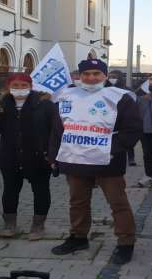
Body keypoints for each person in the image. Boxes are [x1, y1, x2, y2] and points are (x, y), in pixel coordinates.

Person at [49, 59, 142, 265]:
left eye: (96, 74)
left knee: (118, 203)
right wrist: (54, 156)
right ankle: (78, 237)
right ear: (79, 76)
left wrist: (110, 149)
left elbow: (132, 129)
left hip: (107, 161)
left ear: (105, 75)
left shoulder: (121, 98)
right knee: (78, 202)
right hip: (75, 160)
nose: (91, 78)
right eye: (86, 74)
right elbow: (57, 130)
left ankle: (126, 243)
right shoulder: (66, 96)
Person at [0, 73, 56, 240]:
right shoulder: (2, 105)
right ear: (8, 87)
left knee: (41, 190)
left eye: (23, 85)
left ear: (30, 86)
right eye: (15, 85)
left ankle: (38, 226)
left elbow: (55, 131)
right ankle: (9, 225)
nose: (20, 89)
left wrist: (52, 155)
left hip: (38, 156)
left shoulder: (45, 105)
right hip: (9, 155)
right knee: (10, 190)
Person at [108, 70, 138, 166]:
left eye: (114, 77)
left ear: (120, 78)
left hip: (124, 117)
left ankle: (131, 158)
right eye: (110, 76)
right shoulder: (106, 89)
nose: (112, 79)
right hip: (110, 117)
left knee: (126, 138)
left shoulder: (127, 91)